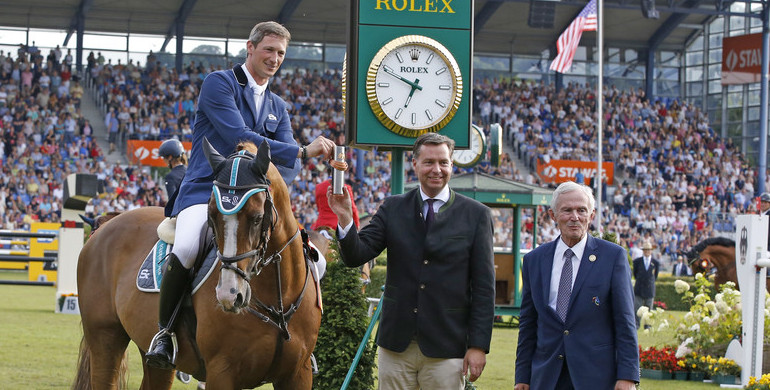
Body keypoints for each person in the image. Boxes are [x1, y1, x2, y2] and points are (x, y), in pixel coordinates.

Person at [145, 20, 336, 370]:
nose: (274, 58)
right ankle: (165, 333)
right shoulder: (219, 84)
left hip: (256, 199)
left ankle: (302, 341)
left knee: (315, 262)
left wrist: (277, 182)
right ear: (250, 48)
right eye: (269, 50)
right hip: (208, 189)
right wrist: (302, 152)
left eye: (281, 53)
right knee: (187, 246)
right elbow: (238, 134)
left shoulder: (278, 104)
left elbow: (287, 170)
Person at [328, 132, 495, 389]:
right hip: (396, 345)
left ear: (452, 165)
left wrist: (478, 346)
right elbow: (356, 256)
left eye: (443, 162)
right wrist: (344, 218)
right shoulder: (393, 208)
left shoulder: (476, 215)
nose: (436, 169)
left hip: (447, 346)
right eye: (429, 162)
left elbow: (484, 288)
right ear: (414, 164)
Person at [515, 181, 639, 390]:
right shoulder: (534, 260)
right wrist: (522, 376)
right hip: (546, 376)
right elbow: (528, 323)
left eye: (582, 210)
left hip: (596, 376)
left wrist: (627, 375)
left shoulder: (613, 257)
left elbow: (625, 320)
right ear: (553, 215)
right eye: (567, 210)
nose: (575, 217)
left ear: (591, 216)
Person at [633, 241, 660, 329]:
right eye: (645, 250)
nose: (647, 251)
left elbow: (655, 276)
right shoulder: (637, 261)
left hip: (649, 288)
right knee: (637, 308)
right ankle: (636, 324)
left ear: (651, 251)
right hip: (639, 288)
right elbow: (635, 274)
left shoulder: (655, 263)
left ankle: (647, 325)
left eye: (648, 250)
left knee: (649, 308)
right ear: (643, 251)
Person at [157, 139, 187, 217]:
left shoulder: (170, 176)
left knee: (162, 229)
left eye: (164, 157)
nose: (163, 160)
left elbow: (173, 202)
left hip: (181, 214)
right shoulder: (189, 170)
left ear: (170, 157)